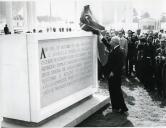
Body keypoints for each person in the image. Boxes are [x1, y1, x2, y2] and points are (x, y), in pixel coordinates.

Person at [102, 36, 128, 115]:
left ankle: (123, 108)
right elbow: (107, 45)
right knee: (112, 90)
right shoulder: (114, 48)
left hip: (115, 75)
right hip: (111, 74)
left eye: (111, 41)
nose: (110, 42)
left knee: (117, 91)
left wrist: (113, 72)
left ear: (114, 42)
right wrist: (101, 37)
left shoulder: (119, 51)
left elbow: (120, 64)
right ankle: (115, 106)